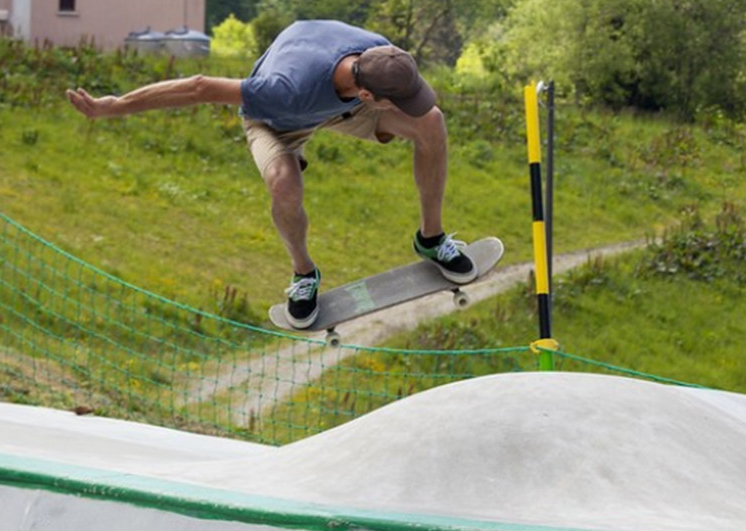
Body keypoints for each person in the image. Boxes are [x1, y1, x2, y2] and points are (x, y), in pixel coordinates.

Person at [66, 19, 476, 329]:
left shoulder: (380, 56)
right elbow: (198, 86)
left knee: (431, 122)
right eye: (399, 100)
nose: (408, 104)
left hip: (342, 105)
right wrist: (115, 106)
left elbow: (402, 95)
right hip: (276, 121)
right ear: (369, 94)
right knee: (284, 185)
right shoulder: (282, 88)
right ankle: (304, 273)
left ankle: (431, 238)